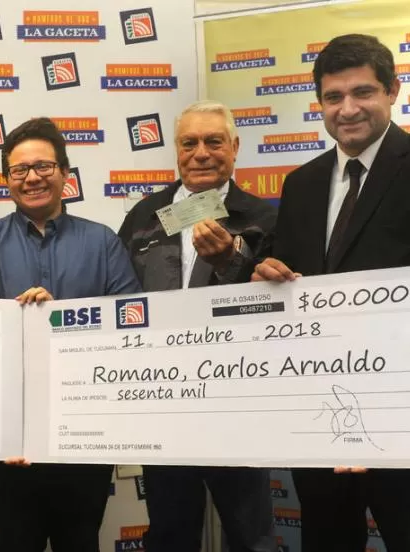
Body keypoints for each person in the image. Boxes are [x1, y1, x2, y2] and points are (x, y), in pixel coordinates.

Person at [249, 34, 410, 552]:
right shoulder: (301, 184)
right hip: (321, 411)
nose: (348, 109)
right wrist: (267, 278)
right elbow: (295, 285)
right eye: (333, 97)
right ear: (320, 104)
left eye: (363, 92)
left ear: (393, 91)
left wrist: (376, 386)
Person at [0, 117, 141, 552]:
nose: (32, 178)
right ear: (6, 179)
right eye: (19, 170)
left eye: (43, 166)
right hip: (8, 444)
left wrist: (60, 318)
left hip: (81, 436)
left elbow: (129, 324)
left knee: (79, 542)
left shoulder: (102, 242)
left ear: (65, 173)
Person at [117, 100, 277, 552]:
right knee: (170, 532)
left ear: (235, 147)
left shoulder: (264, 218)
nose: (201, 153)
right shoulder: (143, 216)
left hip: (238, 401)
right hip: (163, 399)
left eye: (214, 142)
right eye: (190, 143)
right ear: (176, 150)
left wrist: (234, 259)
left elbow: (280, 308)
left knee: (251, 534)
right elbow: (117, 298)